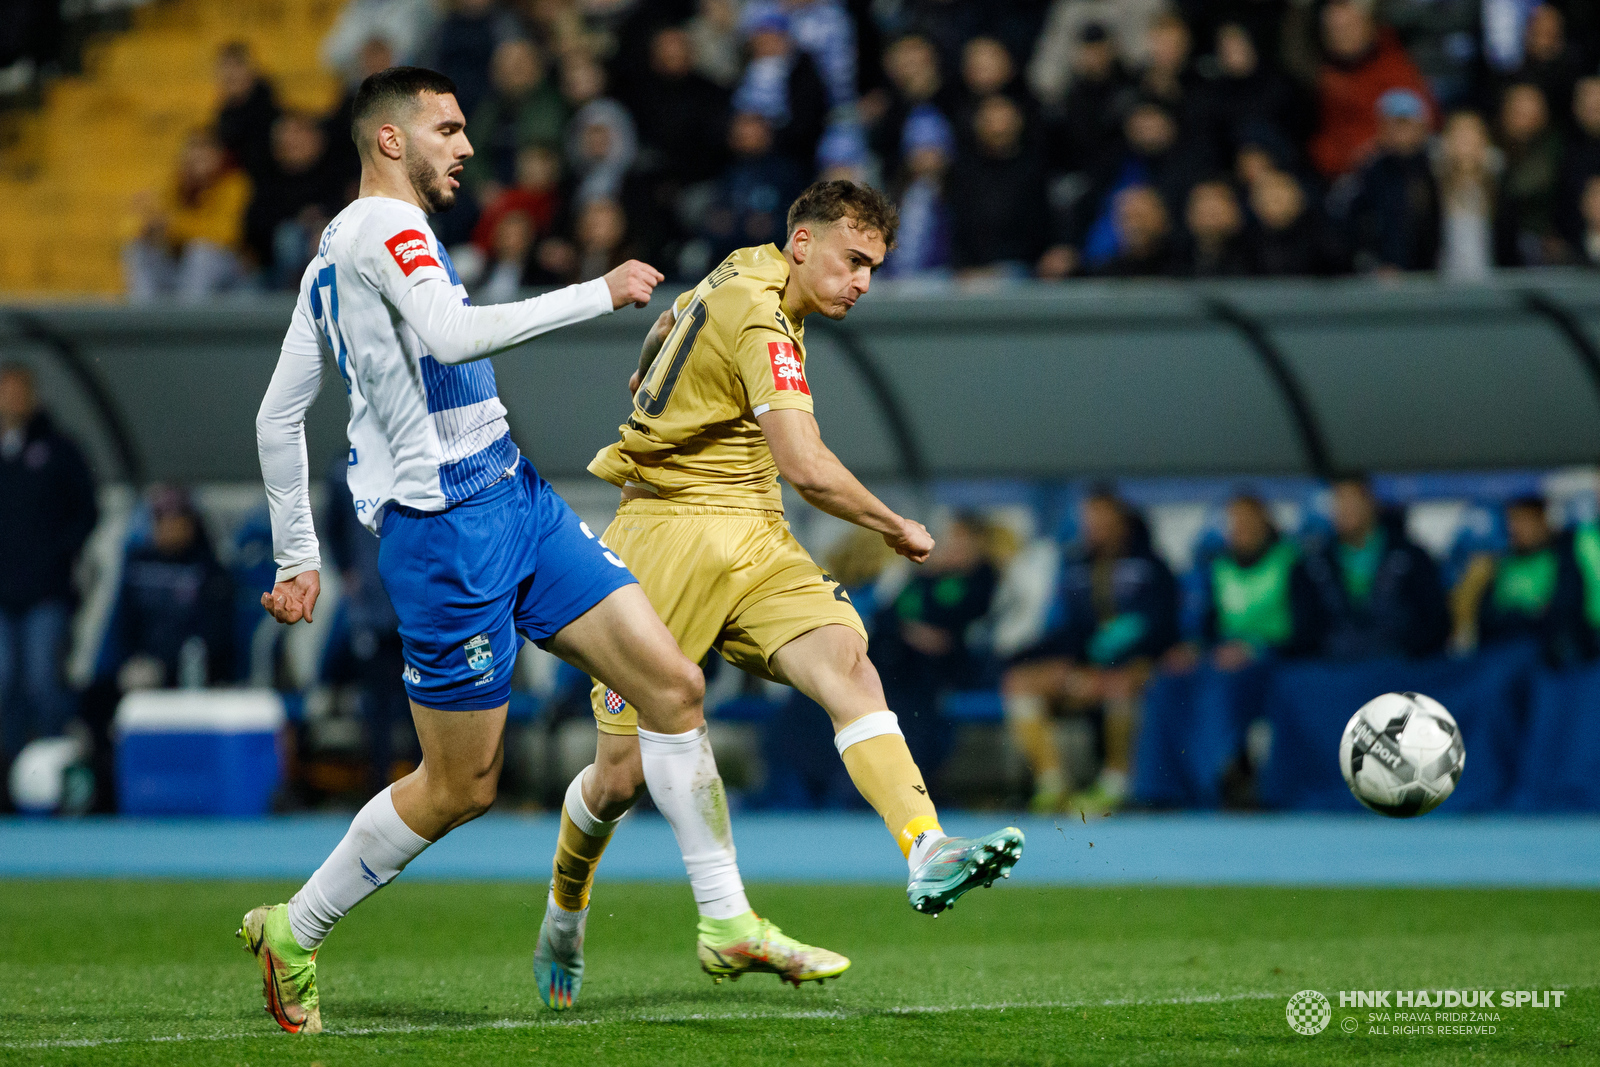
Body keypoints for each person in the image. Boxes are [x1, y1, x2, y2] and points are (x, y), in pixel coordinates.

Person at [244, 66, 838, 1035]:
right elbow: (448, 332)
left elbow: (278, 415)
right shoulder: (385, 231)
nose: (466, 145)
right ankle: (293, 925)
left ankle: (727, 916)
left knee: (671, 686)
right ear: (391, 140)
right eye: (449, 128)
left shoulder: (330, 260)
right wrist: (596, 292)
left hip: (516, 498)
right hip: (445, 539)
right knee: (461, 786)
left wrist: (295, 555)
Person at [536, 180, 1025, 1008]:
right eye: (852, 260)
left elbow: (671, 322)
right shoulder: (764, 319)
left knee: (849, 661)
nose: (862, 281)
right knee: (616, 777)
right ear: (803, 242)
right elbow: (804, 463)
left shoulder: (746, 268)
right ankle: (564, 914)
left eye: (873, 267)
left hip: (754, 533)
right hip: (665, 540)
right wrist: (894, 525)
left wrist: (655, 365)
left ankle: (926, 844)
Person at [1001, 489, 1178, 813]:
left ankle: (1117, 784)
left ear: (1120, 521)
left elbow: (1161, 628)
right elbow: (1069, 630)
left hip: (1136, 669)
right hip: (1087, 671)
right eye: (1088, 519)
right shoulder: (1075, 567)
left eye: (1101, 519)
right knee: (1020, 682)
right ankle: (1052, 785)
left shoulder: (1151, 565)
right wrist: (1057, 664)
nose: (1092, 527)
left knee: (1120, 684)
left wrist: (1110, 666)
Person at [0, 364, 98, 793]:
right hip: (1, 596)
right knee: (4, 683)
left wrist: (60, 554)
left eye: (17, 391)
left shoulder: (60, 450)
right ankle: (9, 777)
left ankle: (57, 773)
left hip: (46, 593)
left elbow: (87, 509)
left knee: (42, 680)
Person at [1301, 475, 1450, 661]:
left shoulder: (1411, 557)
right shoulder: (1314, 564)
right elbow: (1307, 629)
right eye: (1338, 501)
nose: (1345, 509)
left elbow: (1434, 621)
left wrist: (1407, 655)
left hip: (1400, 670)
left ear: (1370, 502)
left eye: (1352, 500)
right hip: (1335, 675)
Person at [122, 128, 253, 303]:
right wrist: (151, 230)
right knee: (138, 250)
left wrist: (172, 226)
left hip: (226, 268)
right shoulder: (175, 185)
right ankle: (143, 320)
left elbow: (225, 233)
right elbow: (143, 224)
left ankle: (187, 323)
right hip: (180, 265)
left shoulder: (233, 184)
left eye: (204, 154)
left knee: (200, 252)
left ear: (218, 156)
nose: (197, 160)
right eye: (193, 154)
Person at [1452, 494, 1584, 665]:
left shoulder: (1562, 559)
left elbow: (1560, 614)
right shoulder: (1499, 565)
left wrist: (1519, 617)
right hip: (1501, 659)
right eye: (1511, 520)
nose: (1515, 528)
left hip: (1547, 661)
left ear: (1541, 520)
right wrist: (1528, 614)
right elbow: (1485, 619)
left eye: (1523, 519)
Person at [1308, 0, 1432, 179]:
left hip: (1390, 172)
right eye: (1333, 30)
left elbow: (1416, 128)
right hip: (1340, 174)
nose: (1340, 36)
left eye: (1347, 27)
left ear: (1367, 24)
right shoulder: (1327, 76)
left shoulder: (1395, 67)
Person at [1334, 88, 1440, 273]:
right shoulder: (1367, 173)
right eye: (1393, 124)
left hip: (1434, 275)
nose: (1400, 132)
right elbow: (1349, 223)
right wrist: (1373, 264)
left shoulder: (1438, 169)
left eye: (1406, 124)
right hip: (1383, 278)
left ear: (1422, 127)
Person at [1435, 109, 1501, 281]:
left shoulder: (1500, 190)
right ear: (1446, 142)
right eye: (1459, 134)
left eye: (1471, 134)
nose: (1465, 141)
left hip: (1493, 290)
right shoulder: (1430, 191)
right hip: (1442, 291)